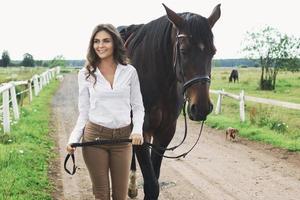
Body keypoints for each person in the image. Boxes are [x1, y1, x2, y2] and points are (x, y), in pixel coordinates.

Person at [66, 24, 145, 200]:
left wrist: (137, 129)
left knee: (120, 195)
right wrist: (73, 138)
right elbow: (84, 112)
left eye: (106, 41)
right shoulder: (86, 73)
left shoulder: (130, 72)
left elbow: (138, 106)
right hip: (95, 139)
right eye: (96, 41)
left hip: (123, 140)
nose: (100, 45)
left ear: (115, 43)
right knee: (101, 194)